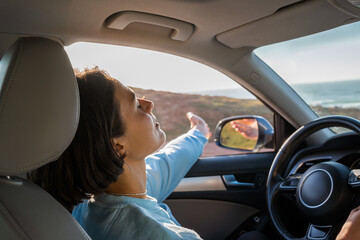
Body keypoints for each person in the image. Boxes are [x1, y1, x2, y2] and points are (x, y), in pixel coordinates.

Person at [29, 68, 211, 239]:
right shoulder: (155, 233)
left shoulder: (90, 205)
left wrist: (197, 134)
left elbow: (163, 165)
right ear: (117, 147)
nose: (149, 104)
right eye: (137, 105)